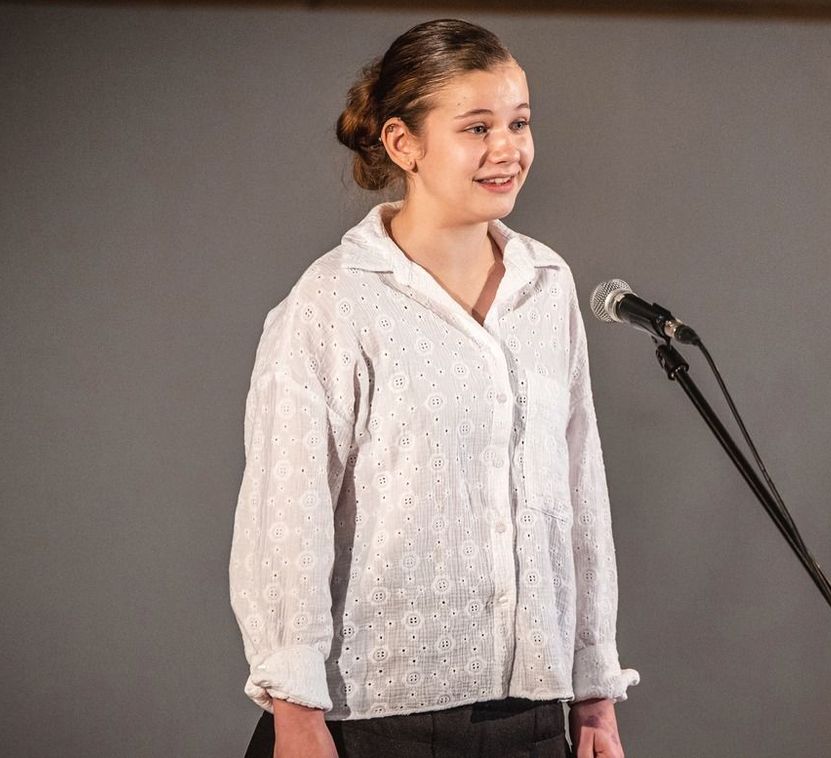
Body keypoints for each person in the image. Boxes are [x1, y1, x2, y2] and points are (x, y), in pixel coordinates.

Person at [229, 18, 639, 758]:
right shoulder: (333, 300)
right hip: (373, 718)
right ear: (403, 143)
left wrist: (594, 694)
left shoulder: (546, 285)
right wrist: (296, 713)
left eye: (519, 123)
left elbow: (578, 493)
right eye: (476, 127)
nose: (507, 149)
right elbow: (286, 514)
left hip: (532, 714)